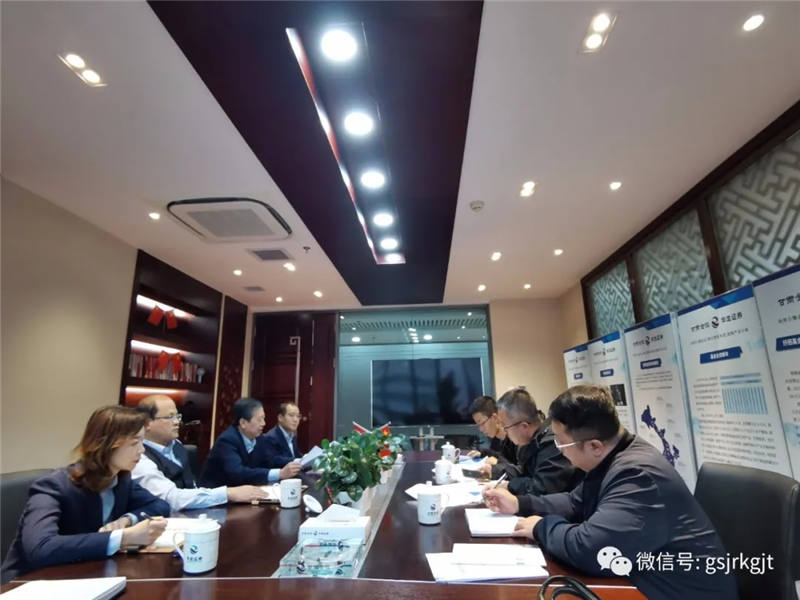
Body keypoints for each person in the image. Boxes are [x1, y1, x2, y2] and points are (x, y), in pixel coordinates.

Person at [483, 384, 738, 600]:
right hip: (643, 580)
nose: (559, 450)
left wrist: (541, 527)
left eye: (562, 443)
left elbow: (593, 550)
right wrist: (520, 504)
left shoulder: (638, 476)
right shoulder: (613, 455)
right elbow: (574, 502)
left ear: (595, 446)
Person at [1, 406, 170, 583]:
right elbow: (40, 548)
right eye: (135, 443)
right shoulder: (54, 486)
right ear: (107, 444)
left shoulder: (120, 479)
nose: (142, 450)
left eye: (142, 442)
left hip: (82, 575)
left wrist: (127, 520)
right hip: (26, 583)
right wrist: (124, 537)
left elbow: (160, 505)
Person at [132, 395, 269, 511]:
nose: (177, 422)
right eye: (169, 417)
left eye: (177, 416)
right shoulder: (139, 457)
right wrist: (228, 493)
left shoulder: (177, 445)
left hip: (195, 514)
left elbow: (193, 486)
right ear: (148, 423)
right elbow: (172, 498)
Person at [481, 387, 581, 496]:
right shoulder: (531, 441)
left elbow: (541, 488)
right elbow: (523, 472)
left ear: (524, 426)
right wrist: (494, 471)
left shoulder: (552, 443)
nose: (504, 431)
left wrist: (509, 486)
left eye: (505, 426)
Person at [200, 397, 301, 488]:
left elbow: (270, 460)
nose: (264, 423)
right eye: (259, 420)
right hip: (217, 496)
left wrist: (296, 463)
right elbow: (238, 473)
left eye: (264, 418)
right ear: (243, 423)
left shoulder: (259, 438)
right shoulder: (227, 441)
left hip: (245, 491)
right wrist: (279, 473)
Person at [466, 395, 517, 478]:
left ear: (495, 418)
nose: (481, 429)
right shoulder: (496, 439)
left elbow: (520, 470)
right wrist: (482, 453)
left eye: (482, 423)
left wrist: (498, 463)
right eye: (478, 425)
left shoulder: (515, 439)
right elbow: (496, 454)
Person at [261, 402, 302, 468]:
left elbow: (296, 455)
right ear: (280, 418)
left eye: (298, 416)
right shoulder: (271, 437)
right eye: (291, 415)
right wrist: (296, 460)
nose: (295, 420)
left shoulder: (292, 436)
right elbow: (274, 460)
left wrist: (306, 457)